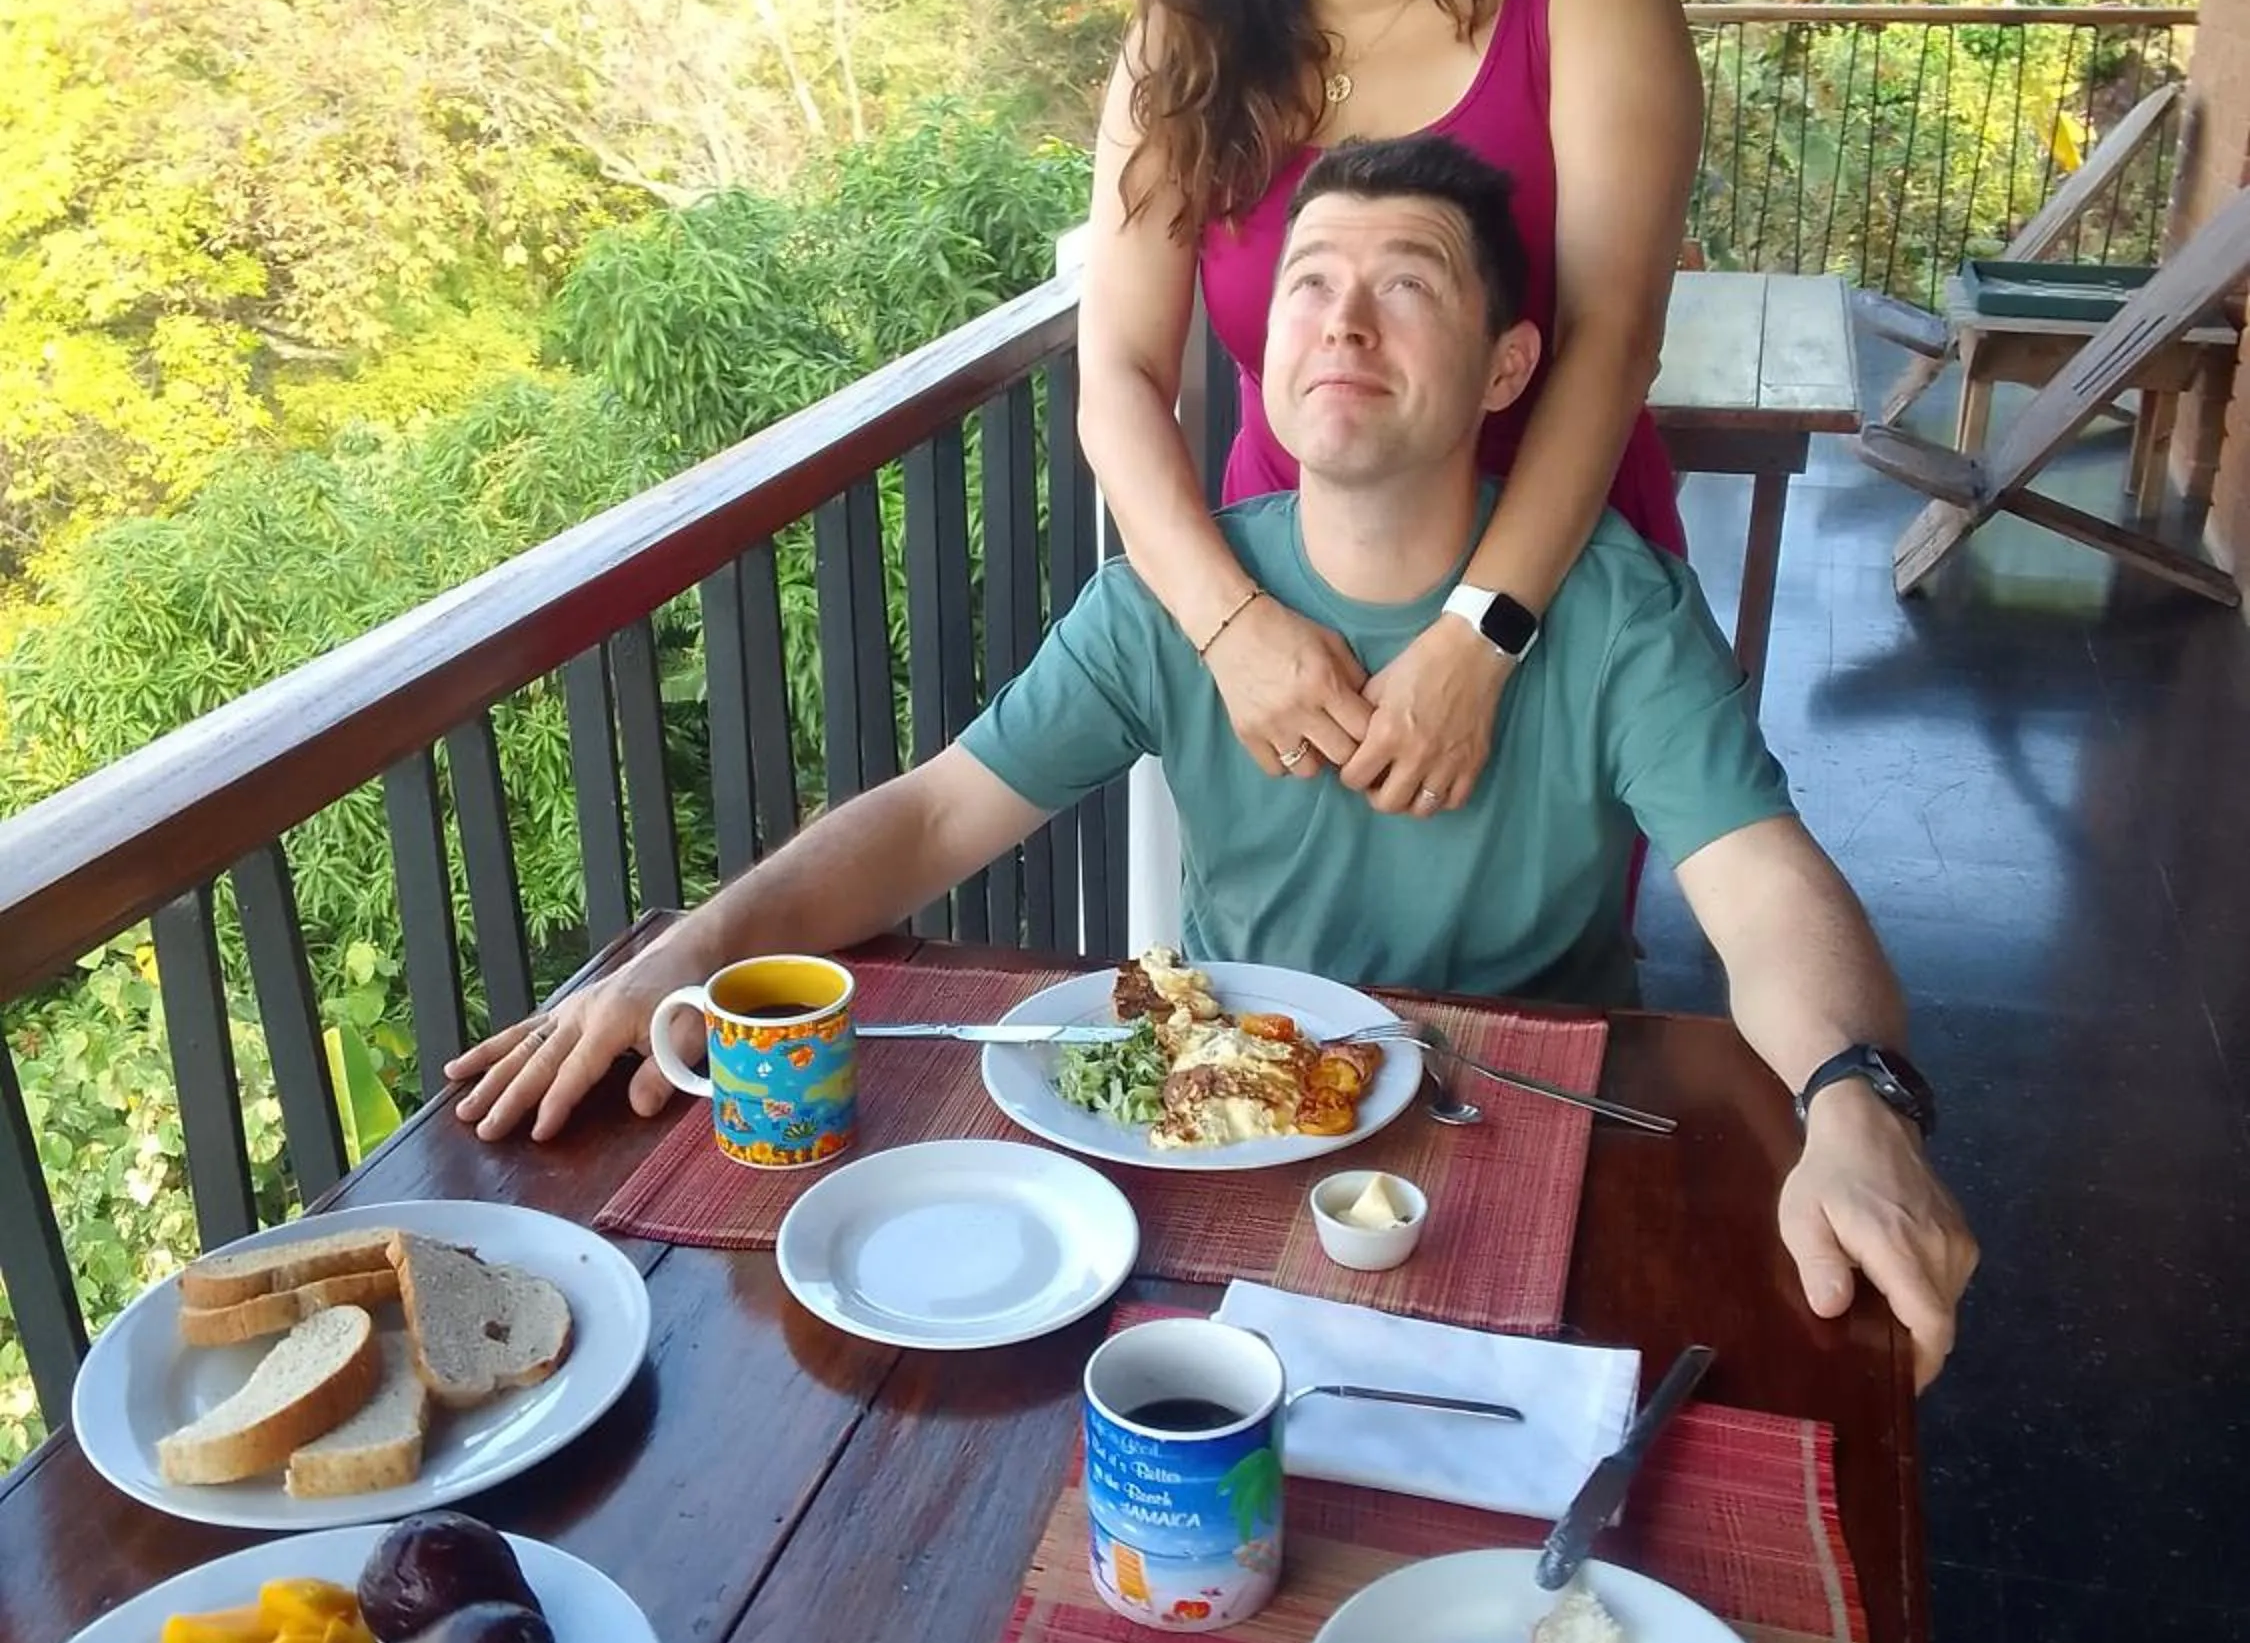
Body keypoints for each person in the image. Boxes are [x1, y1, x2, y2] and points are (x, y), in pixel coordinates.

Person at [448, 135, 1976, 1384]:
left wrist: (1852, 1096)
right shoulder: (1176, 605)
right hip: (1224, 1141)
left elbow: (1763, 888)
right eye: (1307, 285)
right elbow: (928, 821)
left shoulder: (1615, 611)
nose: (1343, 322)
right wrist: (692, 951)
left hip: (1521, 1126)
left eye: (1405, 285)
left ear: (1509, 368)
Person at [1076, 0, 1706, 821]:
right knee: (1278, 1002)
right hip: (1289, 618)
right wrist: (1230, 623)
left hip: (1558, 590)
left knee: (1535, 987)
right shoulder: (1181, 38)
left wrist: (1485, 635)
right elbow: (1119, 377)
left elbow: (1612, 335)